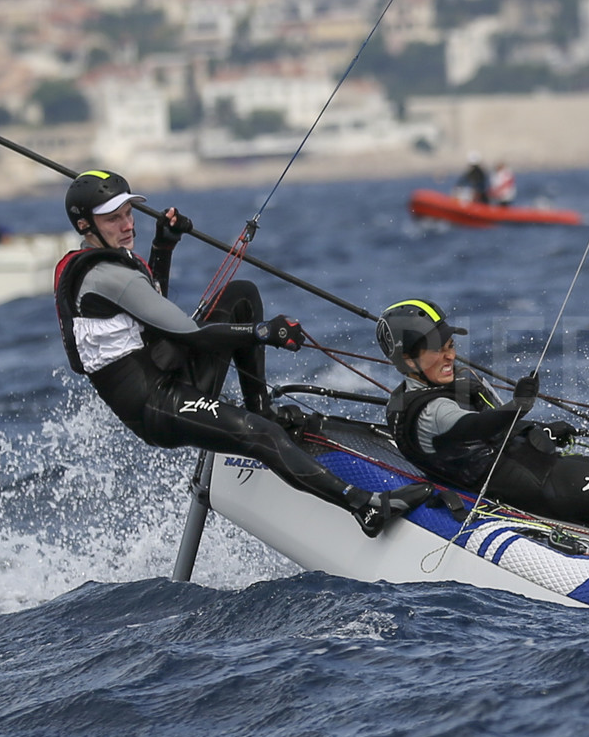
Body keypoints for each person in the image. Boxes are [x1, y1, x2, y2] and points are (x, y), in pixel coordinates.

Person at [53, 169, 434, 537]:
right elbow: (189, 333)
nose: (127, 225)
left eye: (128, 213)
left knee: (241, 294)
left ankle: (260, 406)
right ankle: (364, 506)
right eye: (113, 219)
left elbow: (151, 309)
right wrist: (263, 332)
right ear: (86, 226)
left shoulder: (120, 260)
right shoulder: (107, 275)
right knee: (263, 436)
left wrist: (162, 247)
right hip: (156, 407)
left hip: (168, 371)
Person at [377, 298, 589, 538]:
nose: (450, 355)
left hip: (544, 472)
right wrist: (518, 407)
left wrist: (535, 428)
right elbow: (473, 427)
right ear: (408, 359)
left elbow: (492, 435)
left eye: (450, 345)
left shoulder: (432, 390)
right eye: (437, 350)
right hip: (546, 490)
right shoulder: (432, 412)